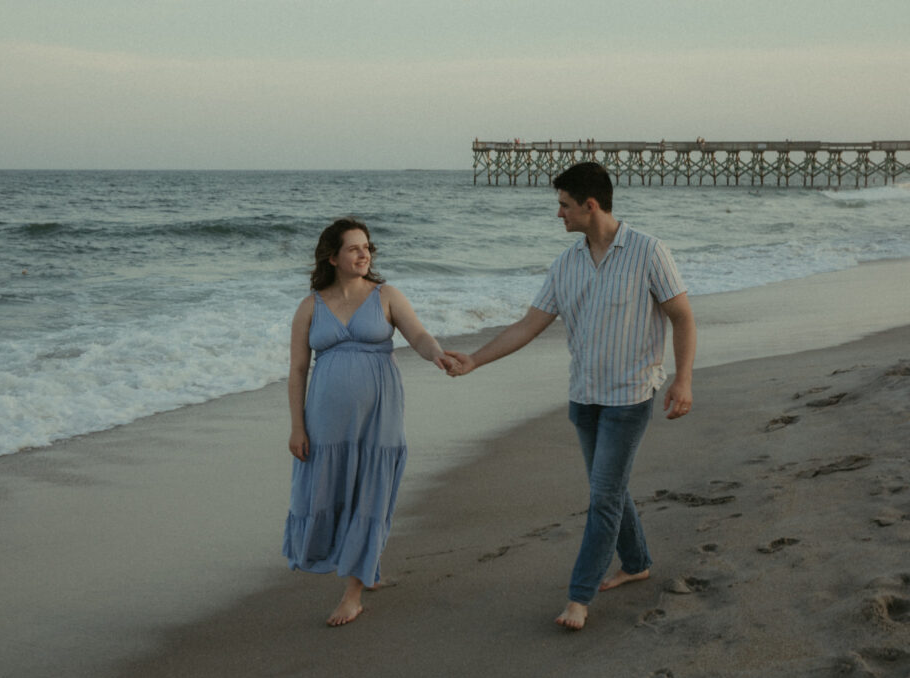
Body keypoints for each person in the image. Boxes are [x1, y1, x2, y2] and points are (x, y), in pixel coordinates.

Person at [445, 162, 697, 630]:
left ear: (590, 205)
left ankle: (579, 597)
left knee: (603, 496)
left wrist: (682, 379)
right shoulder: (566, 264)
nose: (557, 214)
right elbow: (528, 325)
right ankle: (637, 561)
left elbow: (681, 316)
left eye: (563, 205)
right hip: (584, 399)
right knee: (611, 489)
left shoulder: (648, 252)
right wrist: (475, 360)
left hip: (629, 397)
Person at [283, 217, 451, 626]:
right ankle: (362, 564)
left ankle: (354, 592)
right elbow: (298, 370)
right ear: (333, 256)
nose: (364, 254)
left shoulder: (386, 295)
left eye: (367, 247)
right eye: (355, 248)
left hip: (379, 416)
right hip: (326, 420)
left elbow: (419, 336)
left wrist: (439, 355)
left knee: (371, 493)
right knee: (333, 492)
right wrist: (297, 426)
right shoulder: (311, 305)